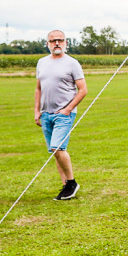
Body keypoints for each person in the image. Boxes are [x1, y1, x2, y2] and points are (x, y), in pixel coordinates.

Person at [34, 30, 88, 200]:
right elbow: (38, 88)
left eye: (60, 40)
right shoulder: (41, 62)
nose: (56, 43)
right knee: (54, 151)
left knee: (58, 147)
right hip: (46, 114)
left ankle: (72, 183)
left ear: (66, 43)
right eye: (53, 41)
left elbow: (83, 90)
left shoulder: (72, 63)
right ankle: (66, 186)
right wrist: (37, 111)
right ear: (47, 44)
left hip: (64, 114)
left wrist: (68, 109)